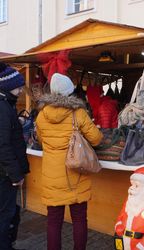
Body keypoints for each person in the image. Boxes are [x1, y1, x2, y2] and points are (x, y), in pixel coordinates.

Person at [36, 73, 103, 250]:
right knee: (79, 219)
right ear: (69, 92)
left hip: (52, 176)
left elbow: (41, 141)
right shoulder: (78, 113)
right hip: (76, 174)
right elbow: (96, 139)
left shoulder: (42, 115)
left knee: (53, 222)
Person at [0, 63, 30, 250]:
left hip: (5, 172)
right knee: (6, 214)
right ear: (7, 86)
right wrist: (16, 174)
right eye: (18, 86)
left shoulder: (6, 107)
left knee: (8, 213)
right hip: (4, 175)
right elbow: (2, 145)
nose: (20, 91)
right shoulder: (3, 108)